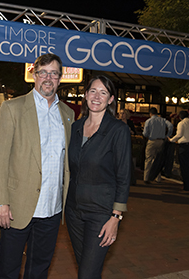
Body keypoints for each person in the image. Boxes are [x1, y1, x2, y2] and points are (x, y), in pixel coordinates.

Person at [0, 53, 74, 279]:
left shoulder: (68, 114)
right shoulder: (12, 108)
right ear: (34, 75)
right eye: (43, 72)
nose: (48, 78)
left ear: (60, 78)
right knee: (8, 268)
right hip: (17, 207)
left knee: (40, 269)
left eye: (53, 73)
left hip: (52, 208)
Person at [65, 75, 131, 279]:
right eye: (93, 91)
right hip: (74, 212)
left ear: (110, 99)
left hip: (101, 213)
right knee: (86, 269)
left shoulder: (118, 130)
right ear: (85, 95)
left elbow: (124, 176)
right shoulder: (75, 127)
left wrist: (116, 217)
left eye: (103, 93)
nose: (96, 96)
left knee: (87, 273)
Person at [142, 107, 173, 183]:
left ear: (150, 113)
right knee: (158, 160)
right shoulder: (163, 120)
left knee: (148, 159)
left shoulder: (148, 121)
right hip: (161, 141)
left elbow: (145, 133)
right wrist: (168, 135)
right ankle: (157, 178)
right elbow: (170, 126)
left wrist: (146, 134)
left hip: (152, 141)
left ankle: (146, 177)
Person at [168, 110, 189, 193]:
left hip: (184, 146)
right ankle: (188, 184)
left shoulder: (181, 123)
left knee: (184, 166)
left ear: (180, 117)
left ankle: (187, 186)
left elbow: (179, 134)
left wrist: (171, 140)